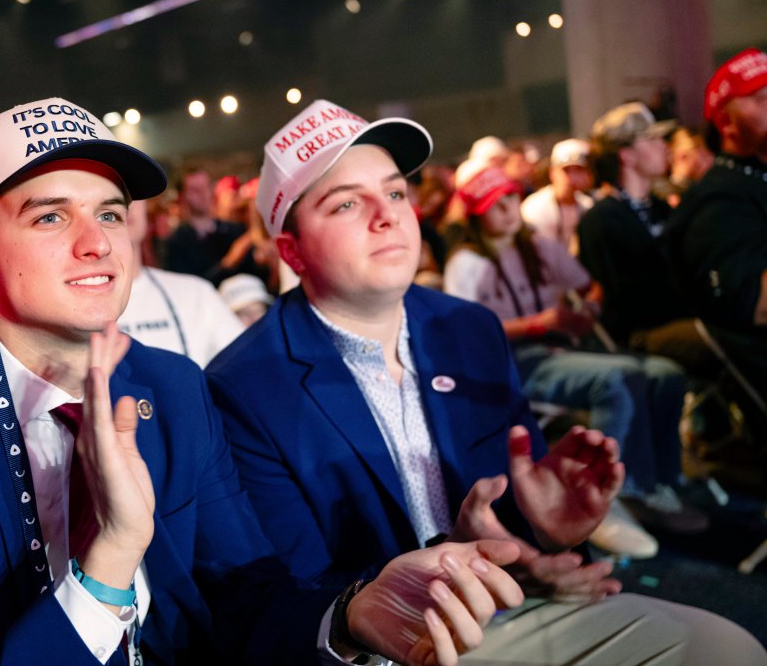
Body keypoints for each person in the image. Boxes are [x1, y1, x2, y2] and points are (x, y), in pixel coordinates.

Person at [0, 97, 528, 666]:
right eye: (51, 216)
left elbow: (244, 598)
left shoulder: (175, 389)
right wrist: (110, 563)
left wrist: (350, 615)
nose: (96, 242)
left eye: (111, 214)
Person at [206, 100, 764, 666]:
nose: (387, 215)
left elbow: (515, 502)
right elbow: (292, 594)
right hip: (384, 649)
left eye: (396, 193)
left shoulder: (466, 328)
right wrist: (452, 559)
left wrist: (545, 535)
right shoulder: (245, 387)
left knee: (727, 648)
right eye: (347, 203)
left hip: (504, 608)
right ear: (291, 251)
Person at [444, 163, 708, 556]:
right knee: (618, 378)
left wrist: (588, 309)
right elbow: (464, 334)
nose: (510, 209)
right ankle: (613, 496)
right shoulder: (466, 264)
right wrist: (538, 323)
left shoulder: (537, 247)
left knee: (664, 374)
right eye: (497, 205)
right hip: (512, 362)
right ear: (477, 216)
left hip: (557, 347)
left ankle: (659, 481)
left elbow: (589, 286)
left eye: (513, 198)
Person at [577, 103, 721, 381]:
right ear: (627, 155)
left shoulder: (661, 207)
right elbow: (625, 299)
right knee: (721, 339)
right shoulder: (602, 219)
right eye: (652, 139)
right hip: (641, 333)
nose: (664, 146)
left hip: (682, 318)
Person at [667, 48, 767, 444]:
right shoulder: (719, 199)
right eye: (761, 98)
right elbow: (752, 303)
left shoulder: (754, 180)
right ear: (725, 121)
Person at [117, 199, 243, 367]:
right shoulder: (71, 306)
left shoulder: (196, 293)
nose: (125, 201)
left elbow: (251, 369)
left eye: (133, 190)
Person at [162, 167, 264, 286]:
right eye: (195, 190)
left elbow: (257, 274)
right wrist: (228, 262)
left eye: (206, 187)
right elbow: (187, 286)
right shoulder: (176, 243)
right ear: (182, 196)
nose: (203, 194)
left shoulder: (235, 230)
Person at [520, 139, 595, 253]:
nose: (572, 178)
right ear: (552, 173)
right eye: (566, 171)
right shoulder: (533, 209)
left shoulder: (588, 207)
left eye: (578, 170)